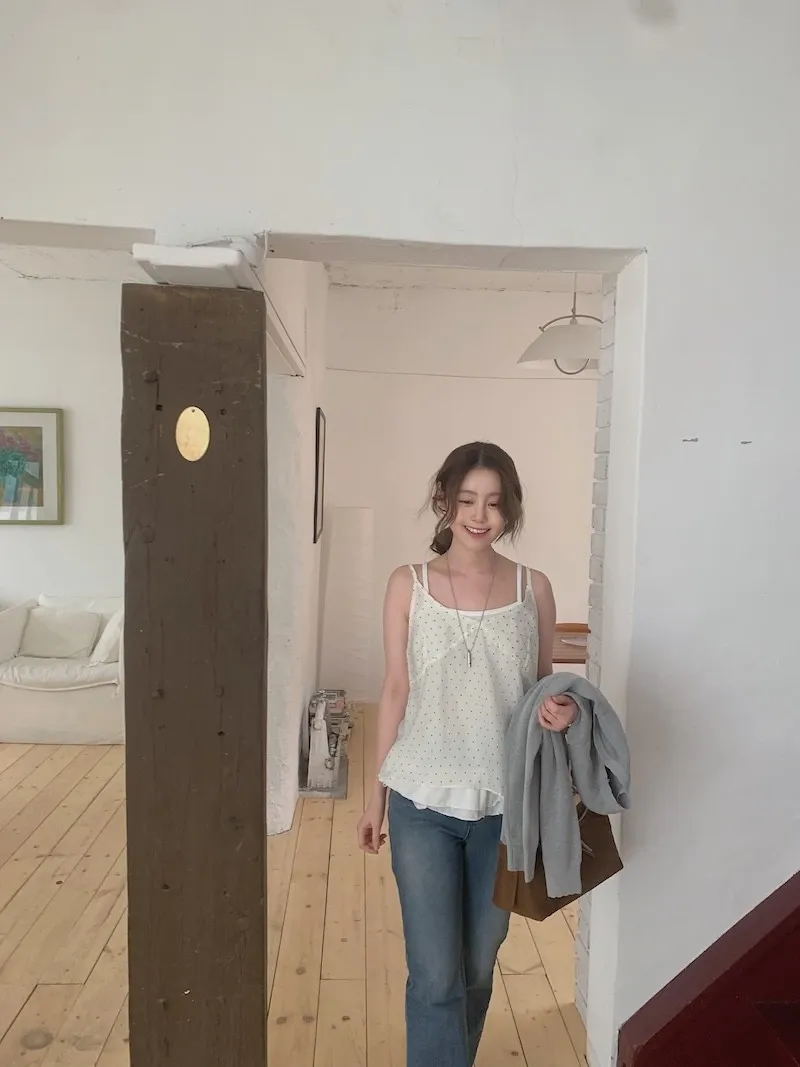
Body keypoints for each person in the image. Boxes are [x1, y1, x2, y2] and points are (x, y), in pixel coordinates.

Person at [357, 441, 578, 1067]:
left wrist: (560, 713)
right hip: (419, 803)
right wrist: (375, 798)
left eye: (494, 503)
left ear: (510, 509)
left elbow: (541, 687)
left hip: (505, 810)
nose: (480, 515)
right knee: (435, 978)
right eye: (467, 500)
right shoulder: (408, 584)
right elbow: (394, 688)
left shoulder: (534, 588)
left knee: (477, 970)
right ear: (444, 502)